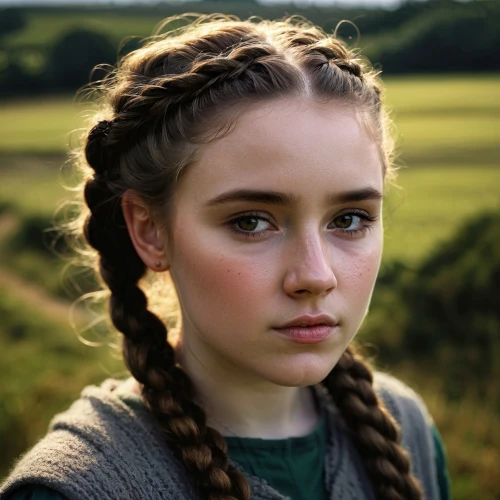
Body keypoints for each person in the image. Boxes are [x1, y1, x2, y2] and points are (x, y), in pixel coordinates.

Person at [0, 13, 450, 500]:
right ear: (150, 230)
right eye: (251, 221)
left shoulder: (405, 427)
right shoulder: (73, 489)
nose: (316, 276)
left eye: (349, 219)